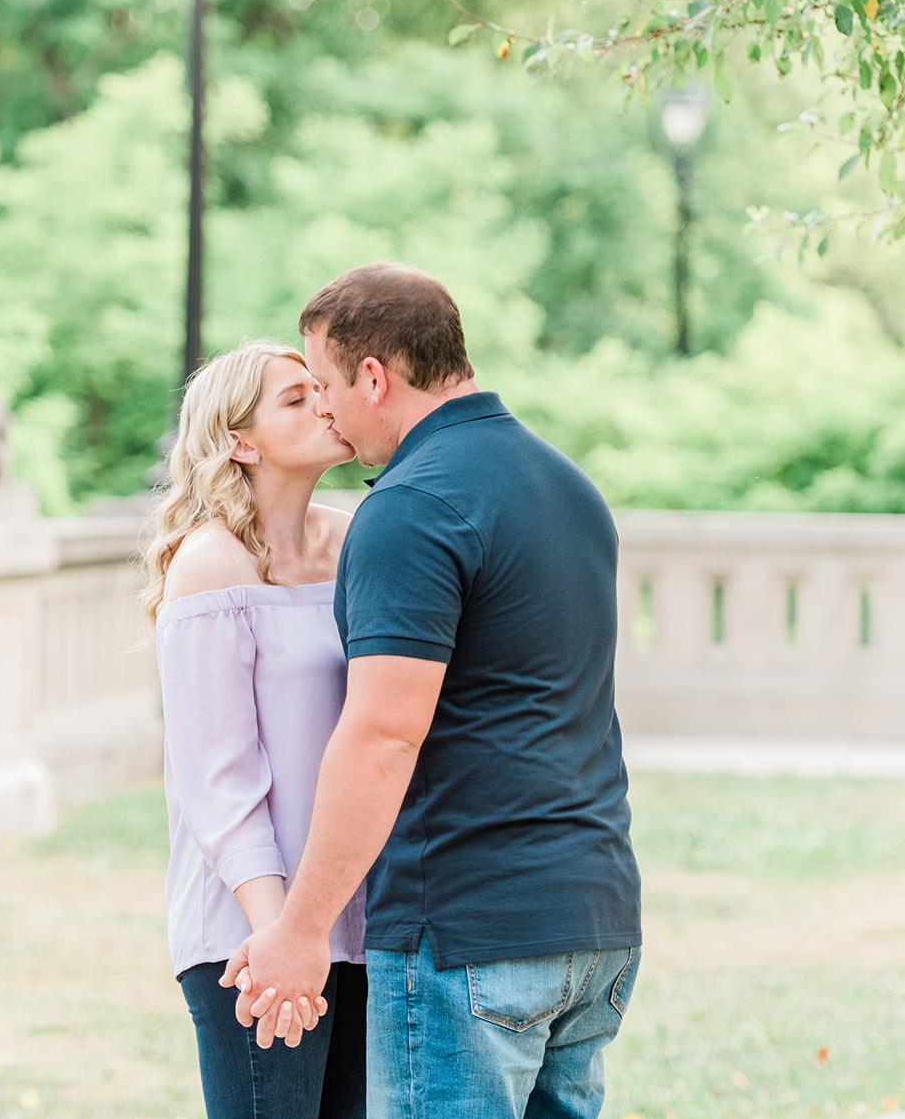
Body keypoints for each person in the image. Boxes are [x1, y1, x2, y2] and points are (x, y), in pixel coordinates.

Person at [221, 265, 644, 1119]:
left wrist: (300, 931)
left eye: (330, 384)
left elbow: (382, 735)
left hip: (467, 934)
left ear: (375, 375)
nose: (327, 408)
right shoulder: (569, 485)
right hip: (594, 921)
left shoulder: (412, 506)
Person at [142, 340, 368, 1119]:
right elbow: (218, 779)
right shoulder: (211, 564)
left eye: (322, 390)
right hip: (251, 931)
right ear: (241, 440)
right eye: (295, 399)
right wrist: (279, 937)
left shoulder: (357, 542)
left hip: (359, 918)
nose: (324, 404)